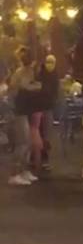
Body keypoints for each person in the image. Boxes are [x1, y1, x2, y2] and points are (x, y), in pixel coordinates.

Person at [8, 48, 41, 186]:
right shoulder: (22, 72)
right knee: (22, 143)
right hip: (17, 111)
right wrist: (39, 86)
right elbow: (25, 86)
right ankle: (14, 174)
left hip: (23, 110)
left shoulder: (27, 71)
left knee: (27, 142)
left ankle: (24, 171)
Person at [37, 54, 60, 171]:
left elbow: (56, 92)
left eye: (52, 62)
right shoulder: (39, 74)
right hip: (38, 108)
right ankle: (35, 158)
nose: (50, 65)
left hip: (48, 108)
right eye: (48, 62)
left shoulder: (55, 75)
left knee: (46, 134)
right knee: (38, 133)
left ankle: (44, 158)